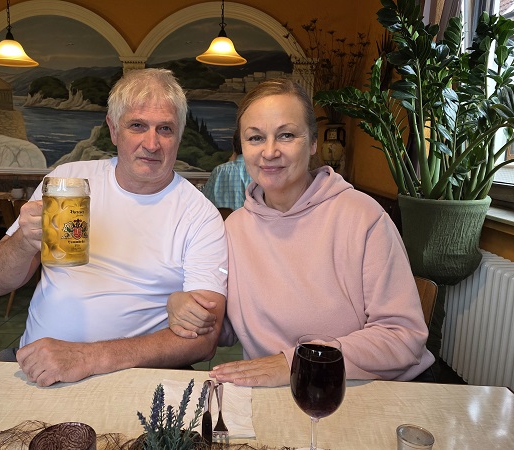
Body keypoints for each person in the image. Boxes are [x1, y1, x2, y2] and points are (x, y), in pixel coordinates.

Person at [167, 78, 434, 387]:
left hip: (364, 391)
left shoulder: (363, 217)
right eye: (255, 138)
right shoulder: (233, 229)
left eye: (286, 135)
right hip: (279, 393)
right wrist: (182, 305)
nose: (269, 152)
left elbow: (403, 337)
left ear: (313, 143)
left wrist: (295, 362)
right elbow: (228, 328)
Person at [0, 68, 228, 387]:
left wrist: (86, 358)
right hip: (36, 363)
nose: (151, 143)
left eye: (165, 129)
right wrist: (22, 242)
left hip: (133, 377)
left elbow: (203, 341)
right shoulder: (67, 181)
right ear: (113, 130)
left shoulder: (200, 215)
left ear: (179, 135)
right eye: (137, 125)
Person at [202, 129, 252, 210]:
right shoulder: (260, 172)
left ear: (234, 146)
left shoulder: (219, 171)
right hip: (254, 218)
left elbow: (204, 205)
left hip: (223, 218)